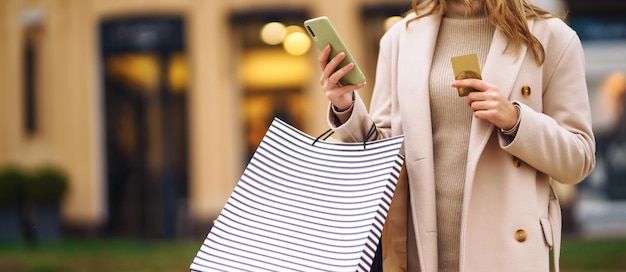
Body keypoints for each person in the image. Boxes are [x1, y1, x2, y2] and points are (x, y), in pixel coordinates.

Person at [316, 0, 596, 271]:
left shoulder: (551, 37)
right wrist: (346, 108)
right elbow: (384, 153)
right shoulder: (400, 38)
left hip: (507, 254)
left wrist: (515, 119)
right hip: (422, 252)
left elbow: (579, 159)